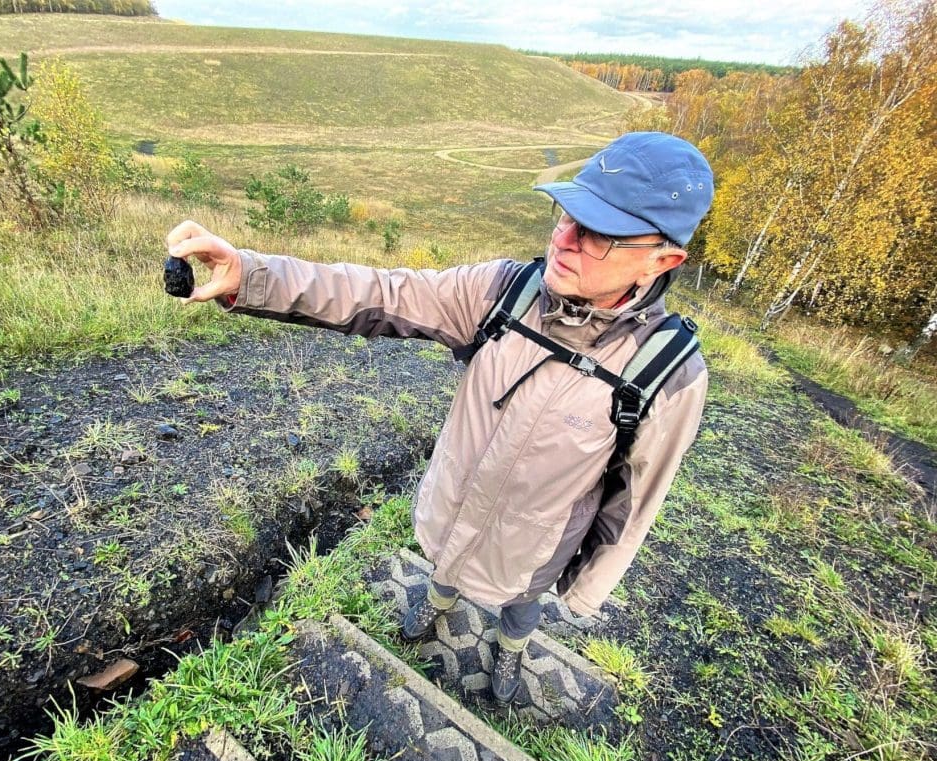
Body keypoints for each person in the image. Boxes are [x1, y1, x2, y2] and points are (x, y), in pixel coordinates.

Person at [166, 131, 713, 705]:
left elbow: (635, 500)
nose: (565, 240)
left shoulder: (667, 370)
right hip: (454, 504)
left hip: (537, 547)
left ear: (664, 259)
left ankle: (513, 650)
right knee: (445, 566)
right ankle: (436, 605)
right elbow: (381, 292)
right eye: (566, 215)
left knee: (521, 605)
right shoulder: (506, 291)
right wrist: (251, 275)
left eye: (599, 233)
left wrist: (584, 590)